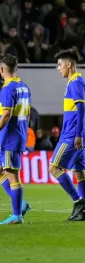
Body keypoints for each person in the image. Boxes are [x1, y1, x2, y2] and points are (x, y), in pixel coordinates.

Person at [49, 49, 85, 221]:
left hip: (73, 134)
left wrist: (77, 134)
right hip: (82, 134)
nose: (58, 68)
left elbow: (80, 108)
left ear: (68, 64)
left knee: (54, 168)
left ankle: (78, 201)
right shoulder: (79, 82)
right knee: (80, 172)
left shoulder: (75, 82)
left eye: (60, 65)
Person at [0, 54, 32, 224]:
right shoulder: (24, 87)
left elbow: (6, 115)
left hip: (9, 138)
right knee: (2, 171)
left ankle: (17, 214)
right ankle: (21, 204)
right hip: (18, 135)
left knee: (13, 176)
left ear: (1, 70)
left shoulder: (8, 88)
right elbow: (28, 114)